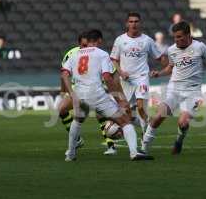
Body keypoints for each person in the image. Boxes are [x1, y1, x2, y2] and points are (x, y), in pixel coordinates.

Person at [142, 21, 206, 155]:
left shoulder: (200, 47)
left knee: (183, 123)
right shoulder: (172, 50)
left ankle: (179, 140)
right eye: (175, 37)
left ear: (188, 35)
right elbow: (170, 68)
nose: (177, 40)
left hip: (192, 92)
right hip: (174, 89)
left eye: (180, 37)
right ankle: (143, 149)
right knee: (159, 116)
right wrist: (159, 73)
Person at [60, 29, 151, 161]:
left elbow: (64, 74)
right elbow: (108, 78)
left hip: (79, 94)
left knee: (78, 120)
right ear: (99, 41)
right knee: (125, 121)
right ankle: (134, 153)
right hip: (95, 94)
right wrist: (119, 100)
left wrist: (71, 93)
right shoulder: (101, 54)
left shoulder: (74, 54)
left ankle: (70, 154)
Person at [59, 32, 119, 155]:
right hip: (77, 88)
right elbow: (63, 74)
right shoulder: (71, 54)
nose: (86, 47)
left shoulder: (98, 53)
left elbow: (111, 74)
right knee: (61, 109)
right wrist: (64, 91)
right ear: (79, 44)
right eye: (83, 45)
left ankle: (111, 146)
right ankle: (77, 140)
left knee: (100, 115)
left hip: (95, 88)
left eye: (87, 44)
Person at [110, 12, 168, 134]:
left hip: (142, 78)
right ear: (127, 23)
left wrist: (169, 68)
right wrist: (120, 72)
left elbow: (160, 58)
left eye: (136, 21)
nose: (133, 24)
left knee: (141, 107)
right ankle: (147, 123)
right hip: (126, 79)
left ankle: (144, 137)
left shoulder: (147, 40)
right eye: (131, 21)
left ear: (140, 23)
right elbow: (113, 59)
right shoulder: (120, 40)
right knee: (125, 113)